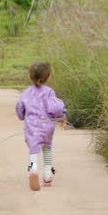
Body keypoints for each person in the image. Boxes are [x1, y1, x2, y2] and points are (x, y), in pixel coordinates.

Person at [15, 62, 67, 191]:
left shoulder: (26, 92)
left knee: (34, 148)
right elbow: (56, 107)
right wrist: (62, 117)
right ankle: (48, 175)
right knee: (47, 147)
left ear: (30, 76)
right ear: (48, 77)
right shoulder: (49, 92)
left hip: (31, 125)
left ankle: (33, 168)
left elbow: (20, 107)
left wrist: (22, 116)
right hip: (47, 125)